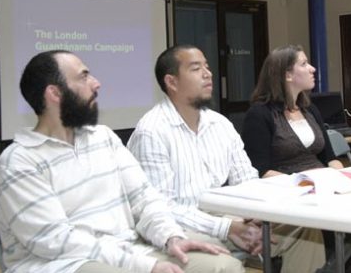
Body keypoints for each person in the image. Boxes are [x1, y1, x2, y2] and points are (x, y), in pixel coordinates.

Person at [0, 50, 241, 273]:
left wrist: (170, 237)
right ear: (55, 93)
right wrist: (145, 265)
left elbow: (144, 198)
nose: (96, 83)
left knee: (223, 266)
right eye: (84, 76)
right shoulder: (19, 161)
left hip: (127, 248)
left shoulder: (103, 137)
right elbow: (55, 240)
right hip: (61, 263)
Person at [128, 45, 325, 273]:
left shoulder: (219, 124)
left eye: (207, 67)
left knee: (306, 229)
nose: (207, 73)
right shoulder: (152, 132)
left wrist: (256, 218)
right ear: (171, 82)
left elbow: (248, 181)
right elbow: (162, 208)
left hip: (225, 216)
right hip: (180, 227)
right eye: (195, 69)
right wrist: (228, 228)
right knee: (224, 264)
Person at [242, 45, 351, 273]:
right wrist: (308, 183)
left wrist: (339, 178)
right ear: (287, 74)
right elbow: (261, 171)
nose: (313, 69)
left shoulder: (309, 109)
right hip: (296, 203)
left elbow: (331, 158)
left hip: (328, 194)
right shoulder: (260, 115)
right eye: (304, 64)